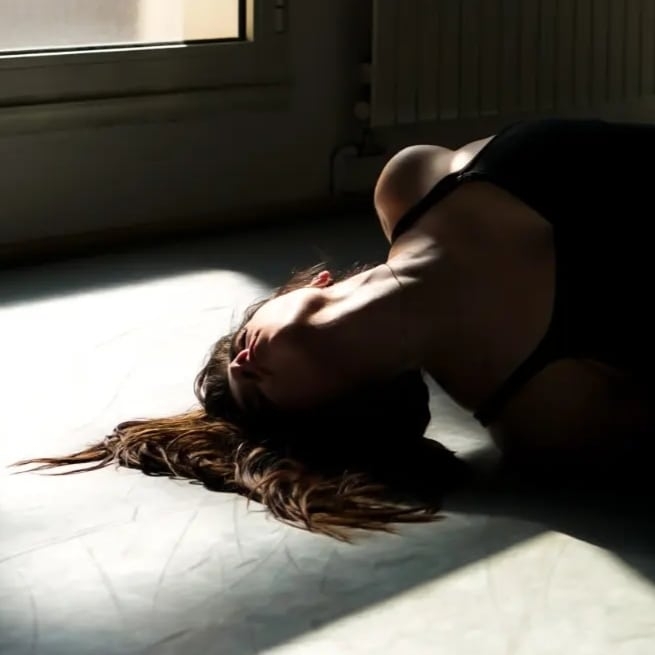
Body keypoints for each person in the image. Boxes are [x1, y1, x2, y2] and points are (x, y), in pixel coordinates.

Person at [14, 117, 655, 539]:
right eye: (257, 397)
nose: (241, 367)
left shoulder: (410, 184)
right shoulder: (548, 414)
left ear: (306, 285)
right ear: (343, 411)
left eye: (236, 342)